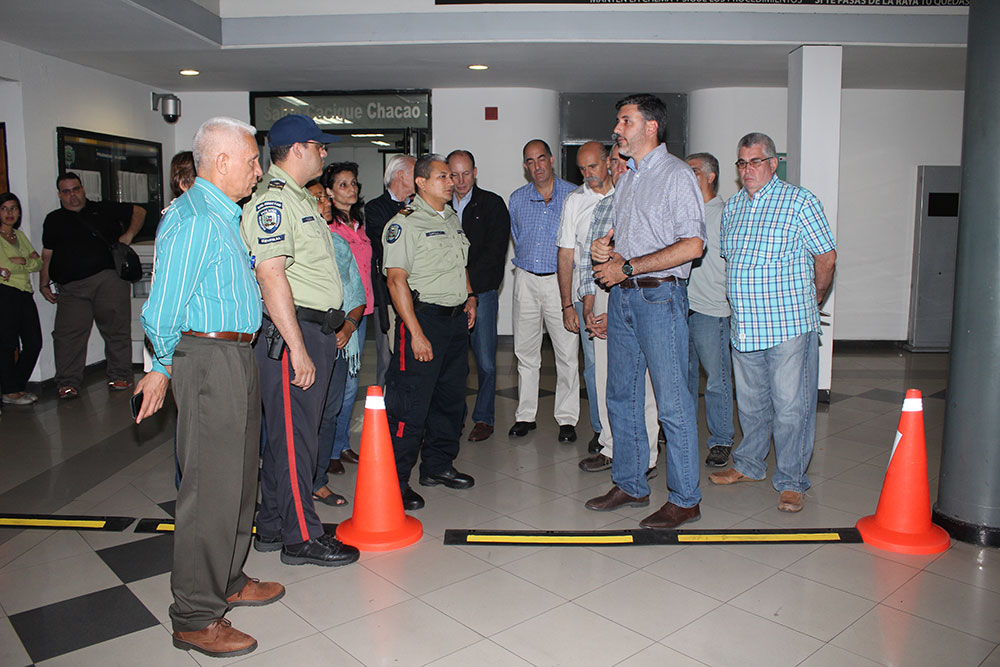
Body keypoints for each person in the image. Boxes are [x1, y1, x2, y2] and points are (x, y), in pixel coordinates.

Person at [134, 117, 282, 658]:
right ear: (221, 163)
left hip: (235, 353)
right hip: (207, 358)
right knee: (209, 489)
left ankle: (228, 578)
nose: (257, 171)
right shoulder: (194, 218)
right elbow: (162, 308)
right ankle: (195, 615)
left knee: (241, 481)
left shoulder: (223, 215)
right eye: (250, 161)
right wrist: (163, 366)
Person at [240, 114, 360, 566]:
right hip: (294, 331)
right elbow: (271, 277)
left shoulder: (301, 200)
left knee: (291, 437)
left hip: (315, 329)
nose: (323, 153)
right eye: (318, 145)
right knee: (296, 440)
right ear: (295, 149)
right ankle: (301, 536)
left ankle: (272, 525)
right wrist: (297, 348)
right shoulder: (273, 202)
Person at [587, 94, 706, 529]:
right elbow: (633, 240)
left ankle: (686, 498)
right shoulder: (630, 178)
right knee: (620, 395)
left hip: (660, 297)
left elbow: (693, 245)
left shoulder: (675, 175)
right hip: (624, 298)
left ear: (651, 127)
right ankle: (631, 483)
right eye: (618, 120)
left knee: (672, 402)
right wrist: (609, 249)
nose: (617, 129)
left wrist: (629, 265)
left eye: (625, 121)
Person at [709, 132, 837, 513]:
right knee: (750, 405)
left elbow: (826, 257)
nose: (748, 170)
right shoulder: (732, 208)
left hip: (788, 327)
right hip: (745, 326)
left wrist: (813, 300)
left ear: (773, 163)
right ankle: (749, 465)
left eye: (755, 162)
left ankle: (793, 481)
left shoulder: (800, 202)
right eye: (742, 163)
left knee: (790, 407)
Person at [382, 154, 477, 511]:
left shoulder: (450, 217)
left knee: (450, 401)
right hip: (422, 321)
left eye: (452, 177)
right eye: (442, 177)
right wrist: (415, 333)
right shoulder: (404, 224)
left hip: (454, 323)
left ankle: (437, 466)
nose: (451, 182)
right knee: (410, 404)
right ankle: (395, 480)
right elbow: (396, 280)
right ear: (421, 183)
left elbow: (459, 263)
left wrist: (469, 297)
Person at [575, 146, 660, 478]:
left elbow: (649, 260)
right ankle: (610, 446)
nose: (617, 166)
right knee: (606, 379)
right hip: (602, 294)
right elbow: (588, 258)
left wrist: (618, 306)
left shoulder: (648, 203)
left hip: (639, 296)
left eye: (623, 160)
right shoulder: (605, 205)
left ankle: (649, 455)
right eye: (613, 161)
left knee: (644, 383)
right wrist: (588, 302)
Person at [40, 172, 146, 398]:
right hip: (71, 288)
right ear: (60, 195)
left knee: (116, 330)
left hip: (107, 280)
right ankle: (68, 382)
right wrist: (43, 283)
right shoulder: (53, 219)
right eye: (66, 192)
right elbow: (47, 254)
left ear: (83, 189)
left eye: (76, 189)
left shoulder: (102, 209)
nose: (72, 196)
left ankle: (120, 375)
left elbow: (139, 211)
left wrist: (128, 236)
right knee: (67, 336)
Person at [507, 139, 579, 443]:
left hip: (560, 282)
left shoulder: (574, 195)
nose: (536, 166)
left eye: (540, 159)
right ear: (525, 166)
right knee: (525, 352)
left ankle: (567, 419)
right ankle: (526, 415)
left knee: (566, 352)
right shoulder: (517, 199)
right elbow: (516, 236)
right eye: (529, 161)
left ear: (551, 160)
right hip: (525, 279)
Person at [304, 176, 364, 504]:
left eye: (327, 199)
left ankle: (318, 479)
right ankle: (293, 480)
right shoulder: (290, 246)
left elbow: (358, 295)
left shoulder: (339, 245)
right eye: (318, 199)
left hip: (337, 343)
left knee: (329, 412)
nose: (326, 203)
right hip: (301, 342)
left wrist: (349, 326)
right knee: (300, 416)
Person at [446, 149, 510, 442]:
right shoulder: (439, 204)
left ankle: (484, 418)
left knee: (484, 360)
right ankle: (452, 417)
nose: (460, 181)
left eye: (466, 173)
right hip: (446, 296)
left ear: (475, 172)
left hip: (482, 293)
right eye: (454, 174)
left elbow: (494, 255)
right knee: (453, 362)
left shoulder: (492, 204)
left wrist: (470, 287)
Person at [556, 141, 612, 452]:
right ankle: (602, 429)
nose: (587, 174)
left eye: (592, 166)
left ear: (608, 162)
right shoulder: (574, 201)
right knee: (593, 365)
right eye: (582, 169)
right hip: (586, 292)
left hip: (623, 292)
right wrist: (567, 304)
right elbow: (565, 255)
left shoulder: (627, 193)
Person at [685, 152, 736, 468]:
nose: (687, 176)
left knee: (717, 379)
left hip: (712, 310)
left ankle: (721, 440)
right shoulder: (685, 214)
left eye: (692, 171)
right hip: (680, 308)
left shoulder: (725, 214)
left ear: (710, 176)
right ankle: (684, 433)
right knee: (685, 378)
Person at [321, 162, 372, 471]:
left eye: (353, 183)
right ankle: (328, 450)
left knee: (351, 383)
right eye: (343, 184)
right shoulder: (328, 228)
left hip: (362, 311)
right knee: (338, 386)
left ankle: (341, 445)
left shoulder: (358, 224)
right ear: (328, 191)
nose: (351, 189)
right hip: (339, 314)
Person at [365, 154, 416, 388]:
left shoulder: (419, 206)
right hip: (388, 295)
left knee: (414, 356)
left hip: (418, 294)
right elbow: (385, 241)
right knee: (387, 358)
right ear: (401, 175)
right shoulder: (376, 208)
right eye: (417, 172)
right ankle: (385, 415)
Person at [0, 192, 42, 406]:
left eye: (14, 208)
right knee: (8, 344)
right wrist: (26, 262)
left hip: (24, 292)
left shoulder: (20, 236)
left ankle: (14, 385)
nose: (10, 213)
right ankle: (10, 390)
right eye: (4, 208)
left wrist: (19, 262)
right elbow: (3, 269)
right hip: (5, 293)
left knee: (34, 342)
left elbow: (39, 263)